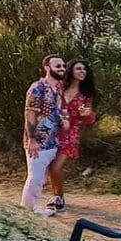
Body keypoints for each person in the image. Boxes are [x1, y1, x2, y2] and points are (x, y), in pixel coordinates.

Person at [48, 60, 98, 212]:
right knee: (49, 167)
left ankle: (59, 196)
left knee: (55, 167)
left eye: (84, 69)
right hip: (53, 132)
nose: (82, 71)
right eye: (79, 68)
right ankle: (56, 194)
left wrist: (88, 114)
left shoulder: (85, 96)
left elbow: (89, 119)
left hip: (70, 135)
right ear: (71, 71)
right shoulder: (59, 88)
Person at [22, 55, 69, 216]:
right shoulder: (37, 88)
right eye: (58, 66)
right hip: (38, 142)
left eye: (63, 66)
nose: (62, 68)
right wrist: (32, 139)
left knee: (41, 178)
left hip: (53, 141)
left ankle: (34, 207)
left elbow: (58, 110)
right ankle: (27, 210)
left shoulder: (58, 88)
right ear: (47, 68)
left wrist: (64, 119)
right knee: (35, 178)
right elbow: (30, 115)